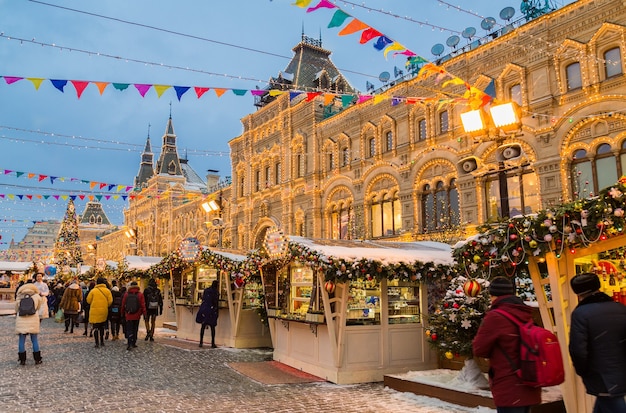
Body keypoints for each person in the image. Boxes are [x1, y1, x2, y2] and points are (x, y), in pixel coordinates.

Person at [472, 276, 541, 413]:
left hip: (508, 384)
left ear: (492, 295)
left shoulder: (495, 316)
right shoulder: (524, 312)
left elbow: (479, 349)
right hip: (529, 379)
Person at [569, 272, 626, 413]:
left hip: (599, 374)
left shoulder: (580, 313)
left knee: (612, 403)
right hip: (621, 369)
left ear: (578, 293)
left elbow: (578, 350)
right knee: (605, 403)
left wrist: (582, 370)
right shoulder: (620, 309)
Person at [15, 281, 44, 365]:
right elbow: (38, 307)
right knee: (34, 339)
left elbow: (16, 309)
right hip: (33, 319)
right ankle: (37, 359)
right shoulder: (36, 296)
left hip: (21, 320)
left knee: (21, 340)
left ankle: (22, 359)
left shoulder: (19, 296)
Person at [86, 277, 113, 348]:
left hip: (94, 312)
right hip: (104, 311)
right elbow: (110, 301)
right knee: (102, 327)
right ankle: (102, 341)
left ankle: (96, 343)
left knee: (95, 328)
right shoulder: (107, 291)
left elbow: (88, 300)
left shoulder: (93, 291)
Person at [121, 281, 146, 351]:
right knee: (135, 329)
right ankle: (134, 342)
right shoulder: (140, 294)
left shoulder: (126, 294)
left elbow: (123, 304)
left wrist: (122, 312)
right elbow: (143, 305)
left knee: (129, 329)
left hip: (128, 315)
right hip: (137, 315)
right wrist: (144, 314)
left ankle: (129, 343)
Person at [196, 280, 219, 348]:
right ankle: (212, 343)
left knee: (203, 326)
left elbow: (203, 299)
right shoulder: (216, 292)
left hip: (205, 310)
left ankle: (201, 342)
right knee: (212, 327)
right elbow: (215, 302)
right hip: (212, 311)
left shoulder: (206, 290)